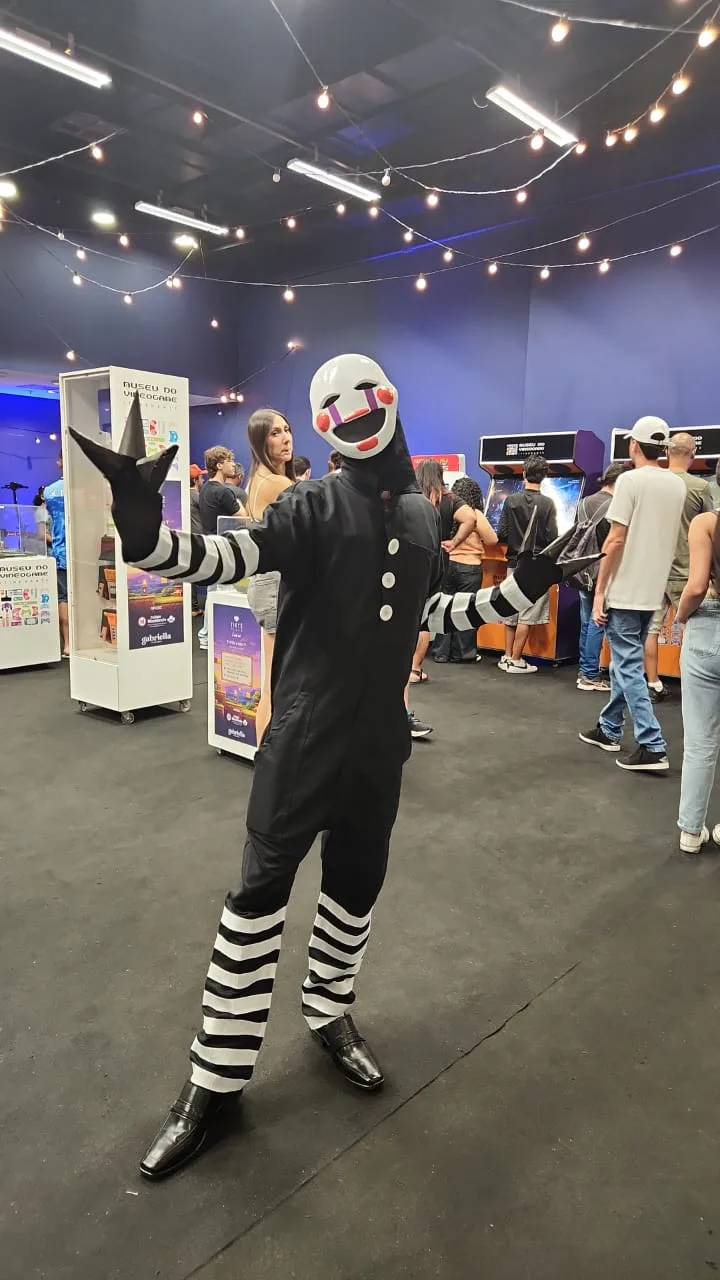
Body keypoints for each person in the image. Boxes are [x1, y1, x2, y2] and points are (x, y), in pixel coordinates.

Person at [69, 359, 587, 1182]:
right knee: (256, 899)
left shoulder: (420, 515)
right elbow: (223, 558)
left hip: (378, 747)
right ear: (321, 424)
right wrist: (142, 532)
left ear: (391, 401)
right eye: (334, 405)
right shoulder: (309, 507)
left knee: (355, 889)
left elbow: (435, 611)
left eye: (366, 397)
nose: (354, 412)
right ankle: (214, 1082)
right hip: (305, 742)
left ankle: (329, 1010)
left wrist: (528, 581)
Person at [579, 416, 685, 773]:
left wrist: (600, 592)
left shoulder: (629, 481)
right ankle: (609, 728)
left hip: (624, 589)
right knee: (627, 665)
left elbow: (616, 539)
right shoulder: (676, 485)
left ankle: (652, 744)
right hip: (652, 590)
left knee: (626, 666)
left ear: (634, 445)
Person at [644, 431, 713, 702]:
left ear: (666, 452)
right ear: (693, 454)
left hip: (653, 569)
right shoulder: (699, 487)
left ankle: (653, 684)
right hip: (686, 568)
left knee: (650, 630)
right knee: (692, 629)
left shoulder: (650, 484)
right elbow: (711, 526)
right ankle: (694, 684)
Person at [244, 409, 294, 743]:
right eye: (275, 433)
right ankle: (266, 756)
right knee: (276, 684)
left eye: (287, 430)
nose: (286, 438)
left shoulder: (259, 479)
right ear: (261, 441)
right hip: (276, 584)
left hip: (269, 582)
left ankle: (268, 755)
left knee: (275, 681)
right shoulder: (277, 483)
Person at [675, 509, 720, 851]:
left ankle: (690, 832)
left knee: (699, 741)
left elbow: (697, 586)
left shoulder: (705, 523)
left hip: (706, 630)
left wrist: (680, 616)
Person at [411, 459, 475, 685]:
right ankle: (414, 669)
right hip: (437, 562)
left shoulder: (410, 498)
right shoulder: (449, 499)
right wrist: (454, 542)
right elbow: (470, 518)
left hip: (409, 560)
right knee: (426, 616)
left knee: (407, 615)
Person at [497, 455, 558, 674]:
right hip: (537, 565)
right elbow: (553, 538)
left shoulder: (511, 501)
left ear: (524, 474)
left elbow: (502, 532)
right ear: (544, 476)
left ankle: (506, 656)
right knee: (528, 613)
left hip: (514, 563)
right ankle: (516, 659)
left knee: (511, 610)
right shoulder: (548, 504)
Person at [432, 475, 499, 664]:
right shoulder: (474, 514)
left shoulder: (446, 510)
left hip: (447, 565)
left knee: (443, 608)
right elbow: (492, 539)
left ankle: (440, 652)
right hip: (469, 567)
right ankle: (463, 653)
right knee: (466, 610)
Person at [575, 462, 628, 692]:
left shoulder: (584, 502)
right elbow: (614, 542)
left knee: (587, 621)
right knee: (598, 621)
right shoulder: (615, 506)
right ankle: (589, 674)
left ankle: (584, 670)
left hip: (582, 569)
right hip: (602, 572)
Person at [197, 447, 242, 650]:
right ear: (219, 465)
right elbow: (244, 515)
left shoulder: (206, 489)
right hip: (224, 550)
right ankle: (213, 636)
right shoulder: (223, 492)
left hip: (210, 547)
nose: (233, 464)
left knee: (213, 593)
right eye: (229, 460)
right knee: (223, 593)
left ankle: (206, 635)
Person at [43, 454, 70, 656]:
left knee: (63, 598)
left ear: (60, 462)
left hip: (60, 551)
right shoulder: (85, 488)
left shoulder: (49, 491)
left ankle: (67, 643)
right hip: (85, 552)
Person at [189, 465, 207, 616]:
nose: (203, 480)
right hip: (197, 540)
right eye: (201, 477)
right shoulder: (195, 495)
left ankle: (192, 606)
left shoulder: (184, 495)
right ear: (195, 480)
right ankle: (193, 607)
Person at [32, 485, 52, 553]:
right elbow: (42, 534)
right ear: (42, 496)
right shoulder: (42, 510)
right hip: (50, 550)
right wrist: (57, 543)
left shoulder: (49, 509)